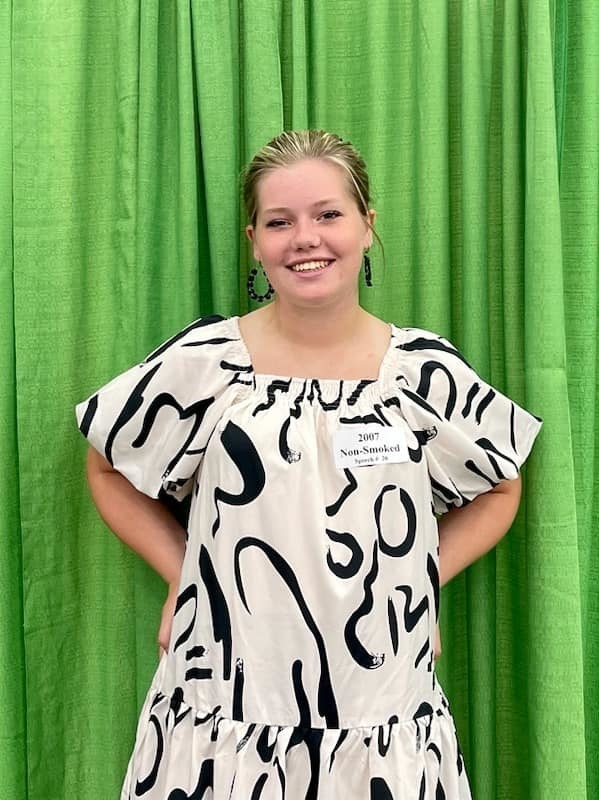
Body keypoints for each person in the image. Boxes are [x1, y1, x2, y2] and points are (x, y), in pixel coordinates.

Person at [76, 130, 542, 799]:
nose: (305, 238)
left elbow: (500, 487)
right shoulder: (207, 363)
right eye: (279, 222)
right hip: (226, 694)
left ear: (366, 226)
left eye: (328, 214)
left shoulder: (421, 372)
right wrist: (185, 577)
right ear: (254, 241)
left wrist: (417, 584)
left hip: (379, 697)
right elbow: (108, 468)